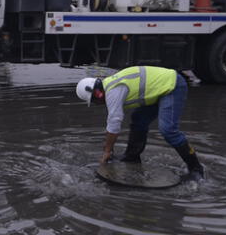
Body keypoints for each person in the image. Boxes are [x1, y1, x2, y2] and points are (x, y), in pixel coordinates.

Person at [76, 66, 204, 180]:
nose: (97, 105)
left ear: (97, 95)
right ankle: (132, 157)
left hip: (172, 86)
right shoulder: (110, 85)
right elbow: (112, 124)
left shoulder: (113, 90)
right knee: (138, 119)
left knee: (168, 130)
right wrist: (109, 147)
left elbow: (114, 122)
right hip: (160, 89)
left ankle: (196, 169)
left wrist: (107, 151)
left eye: (94, 102)